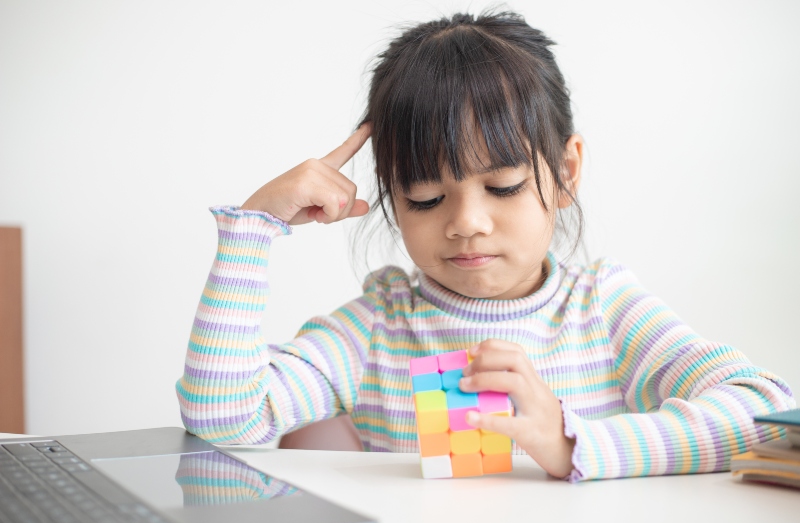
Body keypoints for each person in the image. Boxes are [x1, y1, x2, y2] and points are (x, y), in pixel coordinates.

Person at [175, 10, 794, 482]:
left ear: (566, 172)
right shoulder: (378, 327)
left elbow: (766, 410)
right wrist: (252, 232)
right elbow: (225, 419)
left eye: (502, 186)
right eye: (423, 197)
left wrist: (571, 442)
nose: (466, 223)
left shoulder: (604, 311)